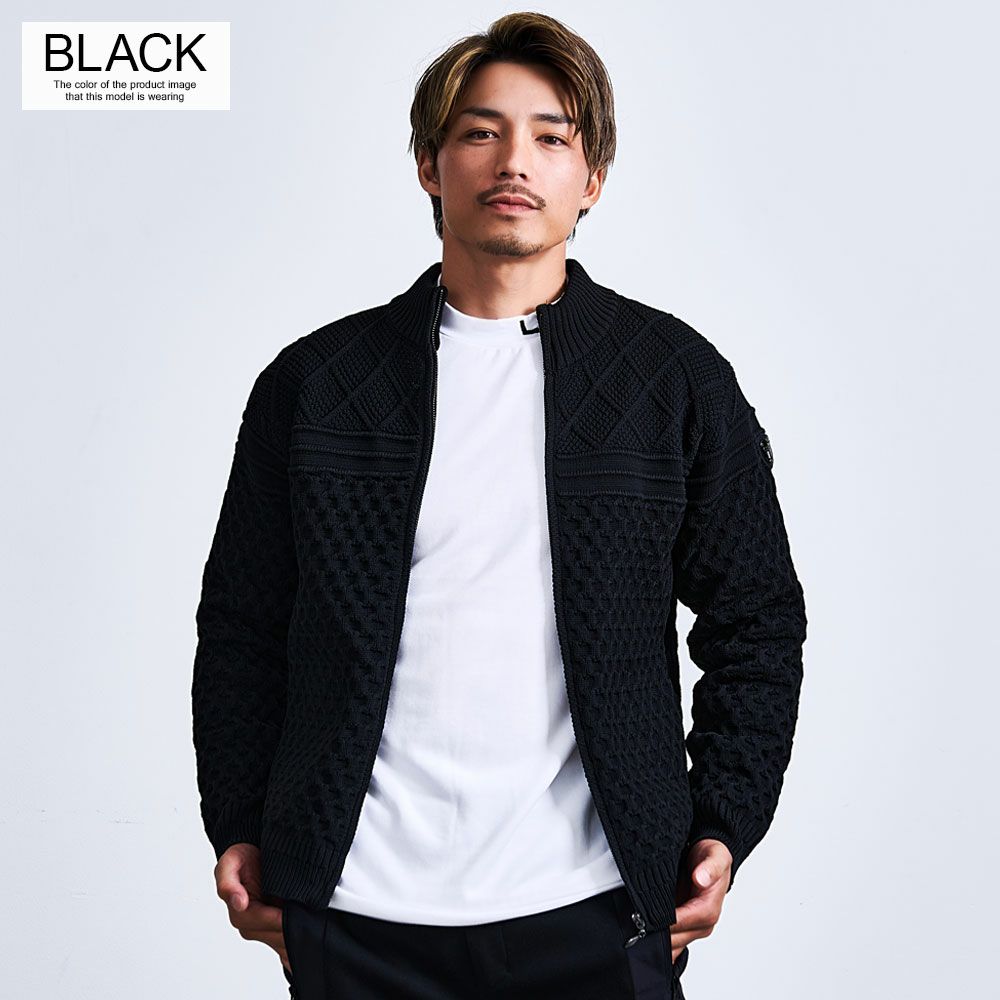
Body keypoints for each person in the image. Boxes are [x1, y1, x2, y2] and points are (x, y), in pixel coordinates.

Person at [191, 12, 807, 999]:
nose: (514, 159)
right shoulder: (316, 385)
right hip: (355, 911)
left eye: (551, 137)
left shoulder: (670, 380)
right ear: (429, 166)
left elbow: (757, 617)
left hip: (596, 908)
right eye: (479, 132)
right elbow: (242, 626)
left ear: (591, 178)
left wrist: (722, 823)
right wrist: (240, 824)